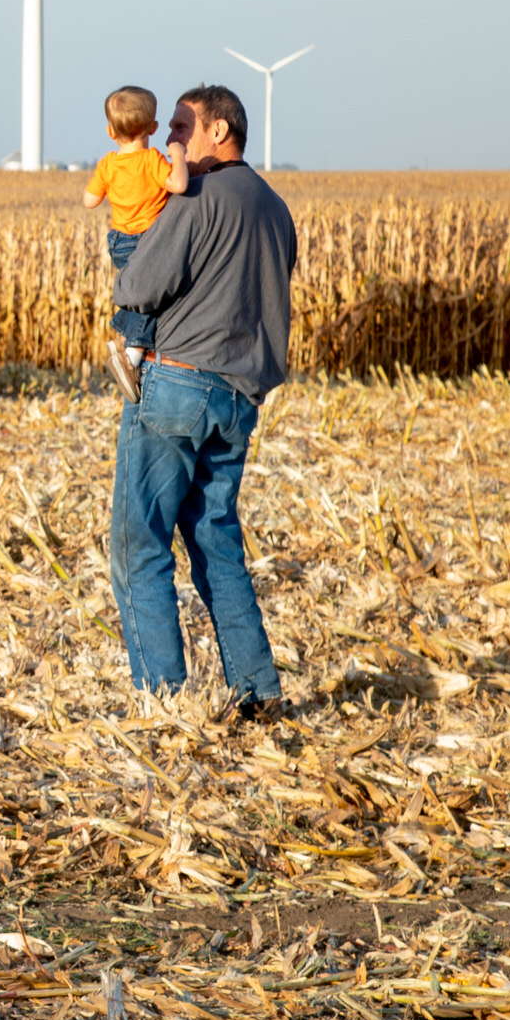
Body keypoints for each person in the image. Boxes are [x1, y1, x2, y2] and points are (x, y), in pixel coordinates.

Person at [109, 83, 299, 719]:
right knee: (216, 540)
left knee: (140, 546)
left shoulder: (196, 198)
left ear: (222, 131)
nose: (171, 139)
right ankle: (258, 691)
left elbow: (139, 285)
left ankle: (164, 701)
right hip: (240, 398)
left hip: (179, 385)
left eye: (184, 127)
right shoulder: (276, 209)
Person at [82, 85, 189, 404]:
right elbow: (179, 184)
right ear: (154, 128)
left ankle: (129, 349)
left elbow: (89, 201)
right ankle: (132, 356)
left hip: (118, 241)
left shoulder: (107, 164)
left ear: (110, 131)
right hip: (148, 241)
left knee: (138, 296)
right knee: (153, 300)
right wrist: (179, 154)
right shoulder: (152, 160)